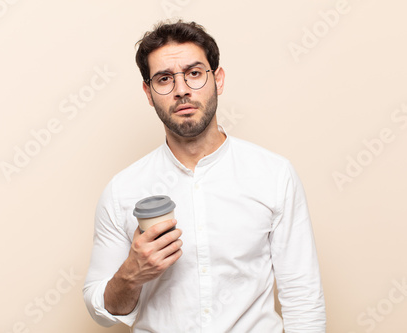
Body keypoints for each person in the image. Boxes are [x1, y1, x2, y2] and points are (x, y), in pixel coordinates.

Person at [83, 20, 326, 332]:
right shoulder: (122, 191)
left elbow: (303, 297)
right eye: (164, 79)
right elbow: (102, 313)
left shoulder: (274, 175)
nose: (182, 90)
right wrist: (132, 272)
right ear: (148, 92)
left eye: (194, 73)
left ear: (218, 80)